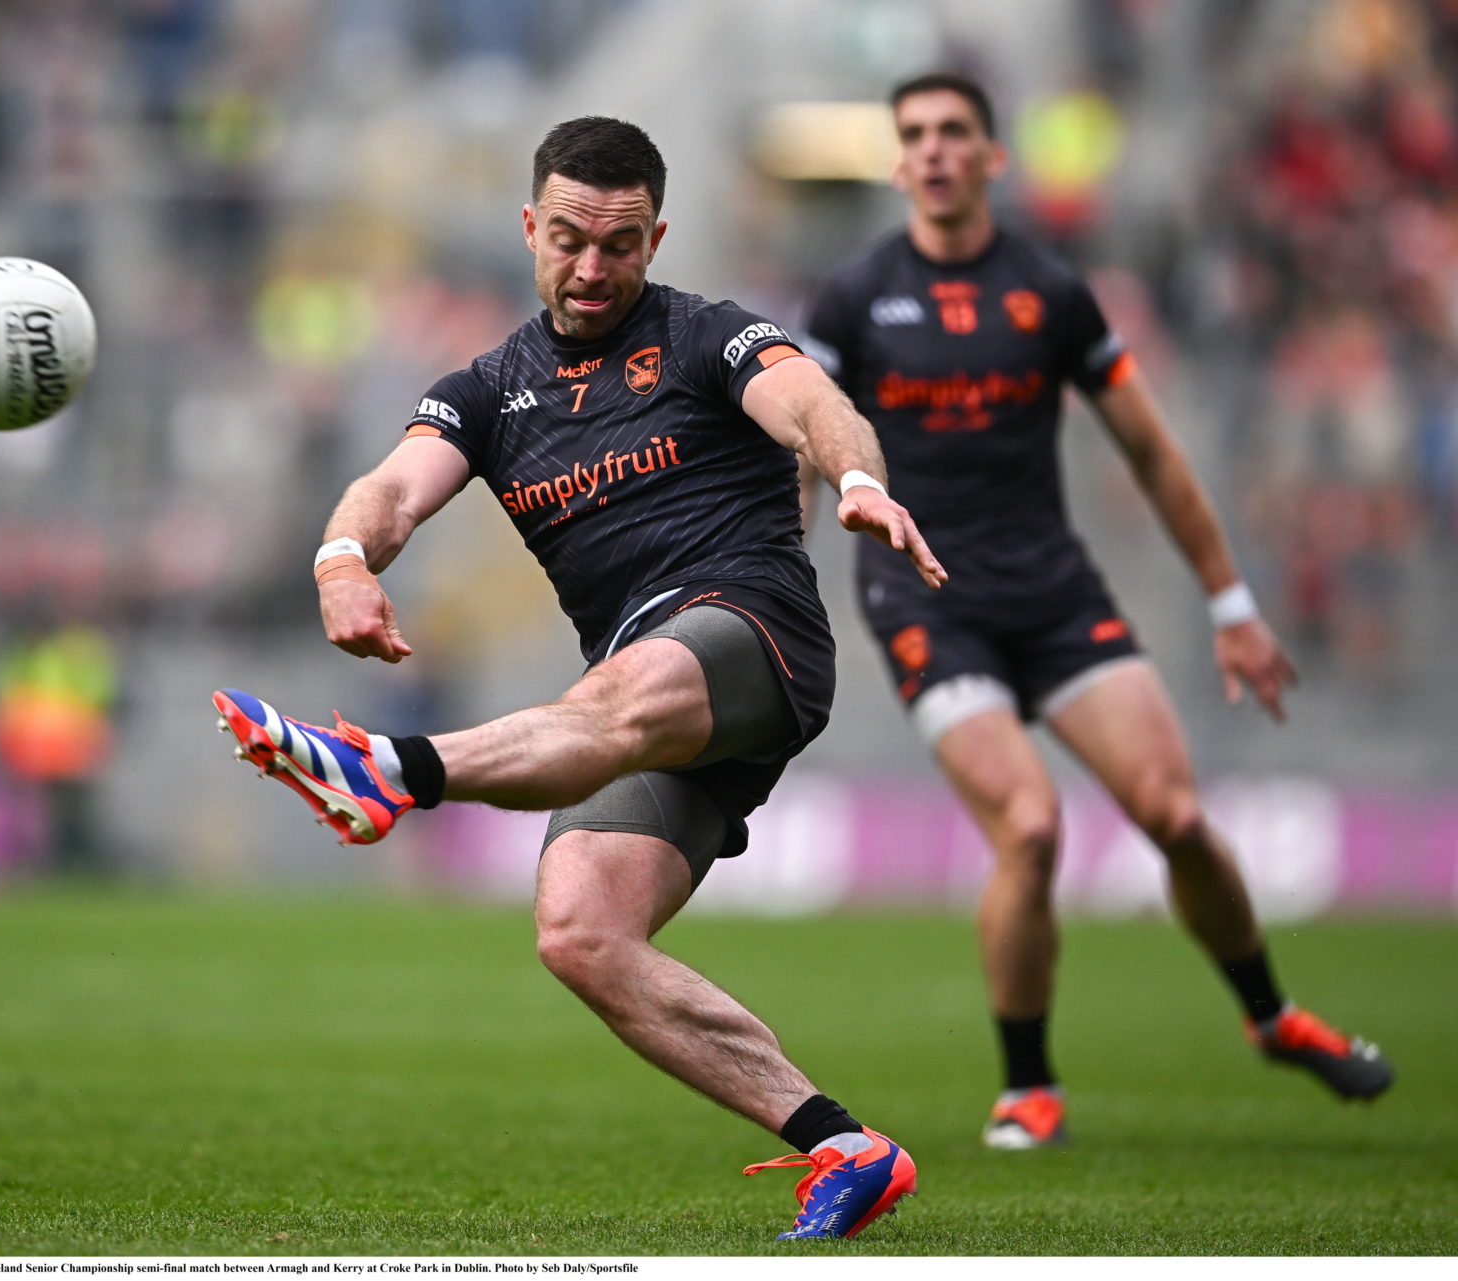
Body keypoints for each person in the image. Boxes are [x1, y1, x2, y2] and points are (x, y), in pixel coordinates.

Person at [213, 117, 941, 1241]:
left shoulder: (710, 337)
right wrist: (343, 560)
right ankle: (846, 1145)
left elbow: (811, 404)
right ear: (529, 230)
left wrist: (853, 475)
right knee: (580, 932)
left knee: (609, 702)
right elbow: (394, 490)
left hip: (750, 632)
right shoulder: (489, 389)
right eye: (568, 240)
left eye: (620, 245)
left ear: (656, 238)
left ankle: (386, 771)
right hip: (639, 693)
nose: (592, 268)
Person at [801, 71, 1392, 1151]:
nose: (933, 151)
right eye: (915, 136)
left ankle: (1273, 1017)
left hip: (1055, 590)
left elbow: (1154, 455)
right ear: (897, 163)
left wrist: (1232, 604)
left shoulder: (1050, 290)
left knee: (1173, 814)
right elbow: (804, 448)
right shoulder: (851, 299)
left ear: (992, 158)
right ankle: (1029, 1085)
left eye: (954, 134)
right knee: (1030, 828)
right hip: (927, 598)